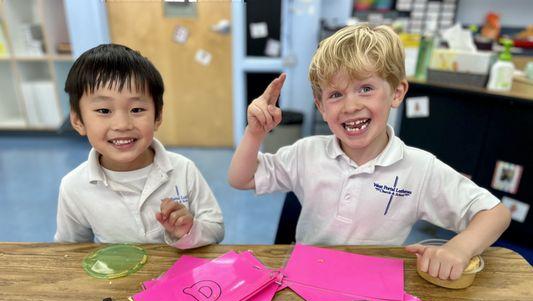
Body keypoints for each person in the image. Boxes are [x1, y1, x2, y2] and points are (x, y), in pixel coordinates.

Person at [228, 24, 510, 280]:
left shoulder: (419, 168)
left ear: (397, 93)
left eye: (365, 88)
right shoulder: (306, 153)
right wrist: (254, 133)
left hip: (373, 285)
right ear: (321, 107)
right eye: (336, 95)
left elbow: (495, 214)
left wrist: (460, 248)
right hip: (306, 278)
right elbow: (241, 179)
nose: (350, 106)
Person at [55, 44, 224, 249]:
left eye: (136, 109)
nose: (122, 125)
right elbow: (70, 250)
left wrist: (189, 230)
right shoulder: (73, 186)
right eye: (103, 110)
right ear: (78, 120)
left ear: (158, 116)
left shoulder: (183, 169)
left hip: (181, 278)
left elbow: (216, 229)